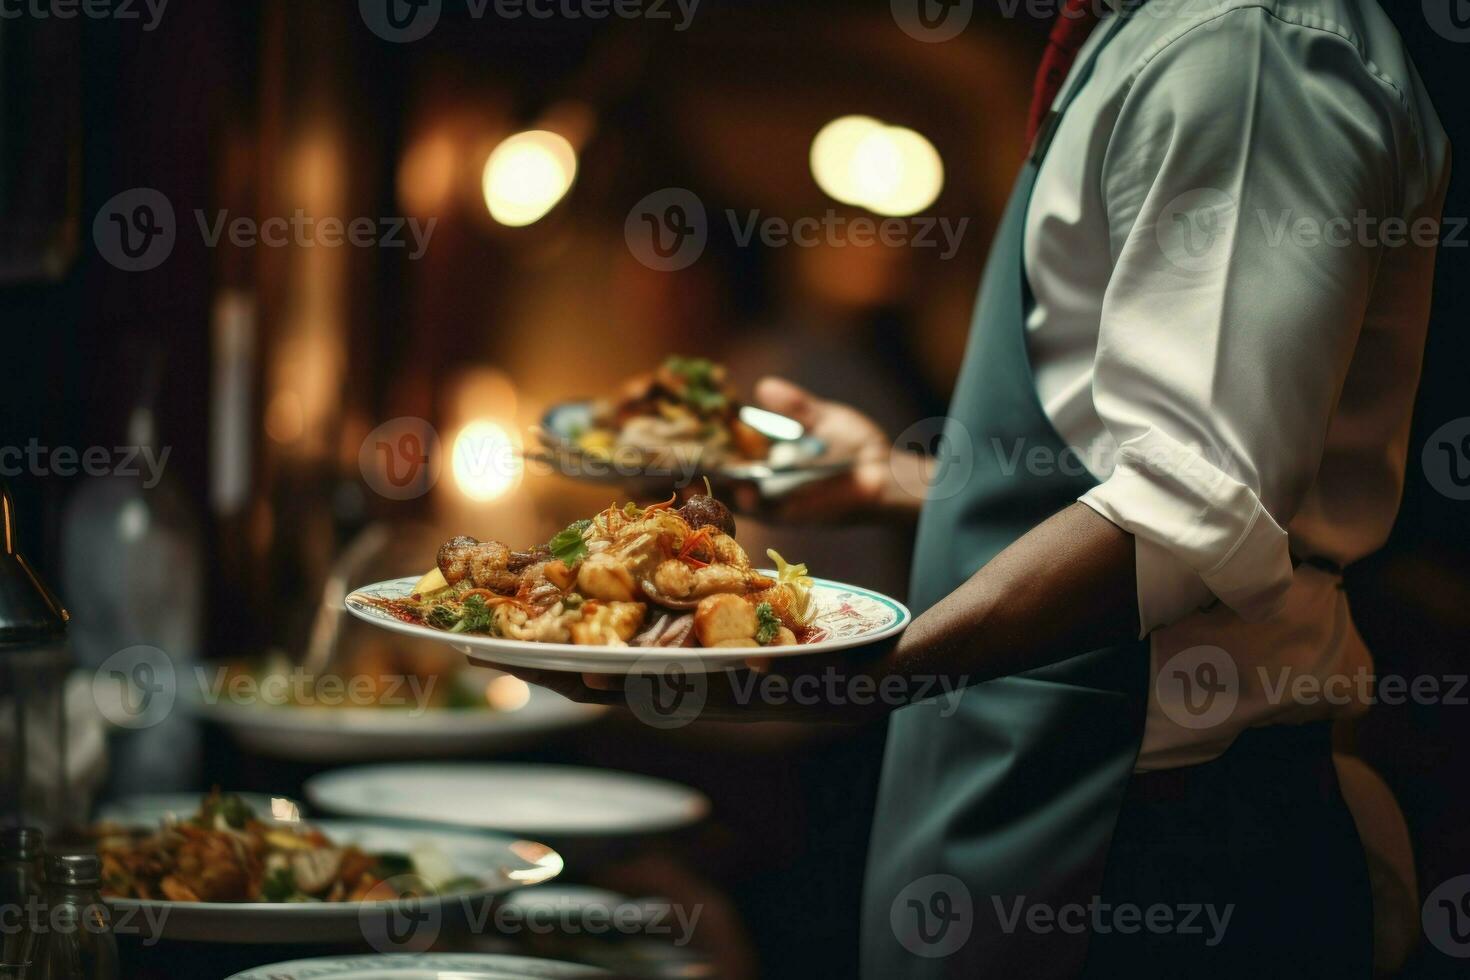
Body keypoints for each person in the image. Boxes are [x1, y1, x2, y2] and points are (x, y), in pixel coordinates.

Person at [515, 0, 1450, 974]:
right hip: (1040, 783)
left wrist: (872, 672)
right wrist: (899, 479)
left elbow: (1193, 510)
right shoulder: (1135, 39)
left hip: (1151, 829)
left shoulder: (1242, 44)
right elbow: (1123, 466)